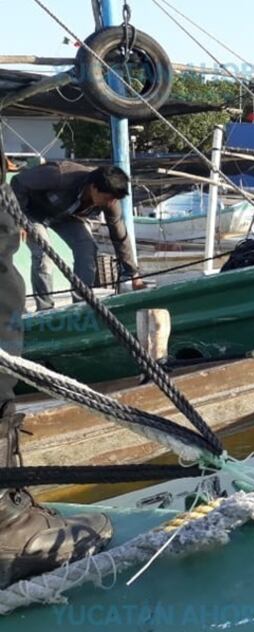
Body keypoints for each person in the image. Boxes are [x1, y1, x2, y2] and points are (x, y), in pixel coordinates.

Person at [0, 184, 112, 588]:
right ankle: (6, 525)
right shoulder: (58, 180)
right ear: (96, 188)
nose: (108, 207)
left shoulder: (102, 202)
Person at [11, 161, 144, 311]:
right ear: (94, 188)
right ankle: (45, 308)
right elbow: (18, 182)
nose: (110, 203)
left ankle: (82, 304)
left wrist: (133, 272)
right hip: (31, 211)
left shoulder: (111, 201)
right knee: (43, 252)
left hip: (65, 215)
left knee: (87, 248)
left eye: (114, 199)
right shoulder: (60, 174)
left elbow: (119, 235)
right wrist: (18, 217)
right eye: (108, 198)